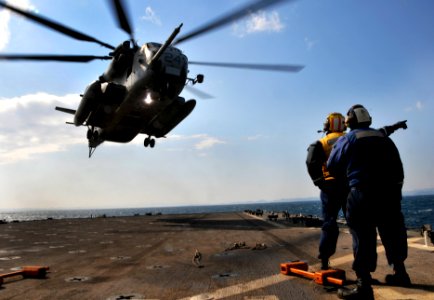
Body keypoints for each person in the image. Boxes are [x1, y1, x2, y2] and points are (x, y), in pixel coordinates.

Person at [327, 104, 411, 300]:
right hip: (390, 194)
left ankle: (364, 285)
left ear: (349, 122)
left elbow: (332, 166)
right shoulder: (383, 138)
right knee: (393, 233)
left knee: (363, 236)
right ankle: (401, 273)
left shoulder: (347, 139)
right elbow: (398, 167)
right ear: (369, 120)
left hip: (362, 194)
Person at [306, 112, 407, 271]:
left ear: (328, 125)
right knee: (358, 230)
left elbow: (311, 163)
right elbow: (381, 132)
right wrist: (396, 126)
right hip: (350, 187)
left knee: (330, 224)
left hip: (330, 189)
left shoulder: (322, 142)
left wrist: (321, 183)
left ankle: (325, 261)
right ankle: (391, 269)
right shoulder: (355, 135)